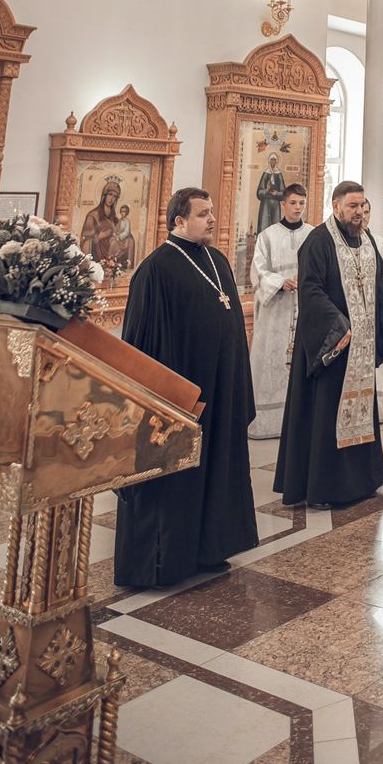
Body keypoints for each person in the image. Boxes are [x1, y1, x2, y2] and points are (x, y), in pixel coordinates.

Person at [114, 187, 258, 588]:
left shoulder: (218, 260)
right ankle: (165, 564)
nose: (212, 219)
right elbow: (140, 345)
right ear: (179, 220)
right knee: (176, 477)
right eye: (203, 214)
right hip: (180, 398)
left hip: (220, 391)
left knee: (215, 469)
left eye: (211, 212)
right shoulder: (155, 270)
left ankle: (210, 548)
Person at [274, 181, 383, 508]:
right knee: (327, 415)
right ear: (336, 207)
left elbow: (381, 285)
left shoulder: (367, 240)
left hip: (361, 349)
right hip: (334, 347)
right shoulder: (318, 241)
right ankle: (328, 488)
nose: (359, 212)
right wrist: (339, 325)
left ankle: (362, 481)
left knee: (362, 411)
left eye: (362, 206)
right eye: (352, 206)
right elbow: (311, 290)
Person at [249, 182, 312, 440]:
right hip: (275, 310)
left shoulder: (313, 234)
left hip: (305, 307)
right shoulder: (267, 236)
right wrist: (280, 283)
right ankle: (268, 424)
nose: (298, 208)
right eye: (293, 203)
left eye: (302, 203)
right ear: (283, 204)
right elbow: (258, 271)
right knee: (271, 361)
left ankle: (301, 423)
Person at [80, 177, 123, 265]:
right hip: (96, 256)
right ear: (104, 195)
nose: (112, 198)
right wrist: (99, 236)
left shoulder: (115, 219)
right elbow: (85, 240)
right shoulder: (93, 215)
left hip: (111, 258)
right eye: (110, 194)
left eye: (115, 196)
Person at [256, 153, 285, 232]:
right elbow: (259, 193)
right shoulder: (266, 173)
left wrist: (277, 193)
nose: (273, 162)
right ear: (269, 161)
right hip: (266, 203)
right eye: (271, 160)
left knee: (275, 228)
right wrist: (266, 190)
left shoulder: (279, 174)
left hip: (275, 204)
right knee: (264, 226)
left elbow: (284, 193)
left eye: (274, 160)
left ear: (277, 161)